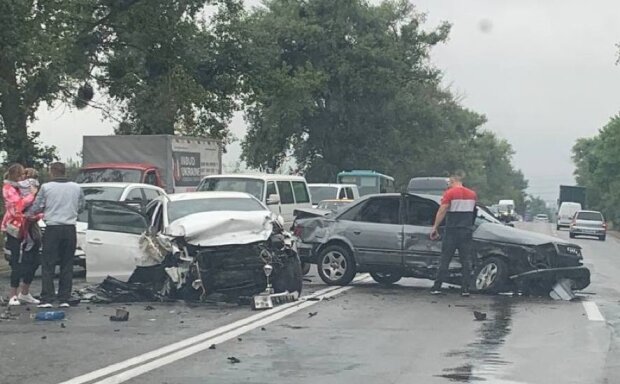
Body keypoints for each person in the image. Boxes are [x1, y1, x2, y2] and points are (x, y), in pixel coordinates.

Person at [29, 162, 84, 308]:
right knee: (67, 263)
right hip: (70, 228)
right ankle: (64, 298)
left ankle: (47, 298)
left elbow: (37, 206)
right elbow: (82, 205)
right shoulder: (76, 187)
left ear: (52, 172)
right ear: (64, 172)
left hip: (53, 228)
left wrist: (29, 215)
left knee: (48, 264)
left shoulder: (46, 187)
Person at [429, 170, 477, 297]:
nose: (448, 184)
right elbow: (473, 212)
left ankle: (437, 287)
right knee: (466, 260)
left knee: (445, 259)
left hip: (452, 231)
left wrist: (435, 227)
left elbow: (443, 209)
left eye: (449, 182)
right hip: (466, 230)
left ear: (454, 181)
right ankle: (465, 289)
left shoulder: (450, 193)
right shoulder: (472, 194)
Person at [2, 164, 40, 306]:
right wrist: (32, 194)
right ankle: (13, 295)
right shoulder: (8, 189)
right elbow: (17, 206)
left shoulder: (21, 187)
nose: (25, 177)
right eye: (22, 175)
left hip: (28, 225)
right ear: (16, 176)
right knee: (16, 261)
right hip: (15, 227)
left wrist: (38, 214)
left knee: (34, 260)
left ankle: (25, 292)